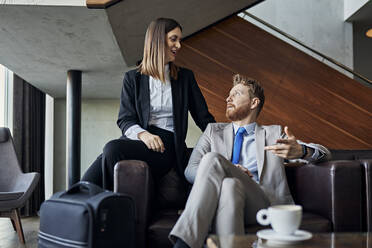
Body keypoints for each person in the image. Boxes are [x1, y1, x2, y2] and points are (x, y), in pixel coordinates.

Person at [169, 74, 331, 248]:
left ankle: (184, 243)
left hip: (262, 204)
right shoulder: (212, 131)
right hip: (221, 200)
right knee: (230, 185)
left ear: (254, 103)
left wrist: (302, 151)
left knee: (213, 159)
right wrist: (227, 169)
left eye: (237, 94)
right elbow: (190, 170)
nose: (228, 98)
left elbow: (325, 153)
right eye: (229, 94)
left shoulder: (274, 134)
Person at [82, 18, 215, 190]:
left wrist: (229, 147)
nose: (179, 46)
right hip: (139, 140)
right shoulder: (133, 78)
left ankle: (109, 207)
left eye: (179, 40)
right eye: (174, 39)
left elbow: (204, 118)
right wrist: (144, 135)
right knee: (85, 183)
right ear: (158, 39)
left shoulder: (185, 78)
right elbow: (125, 119)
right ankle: (79, 207)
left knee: (112, 149)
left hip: (166, 145)